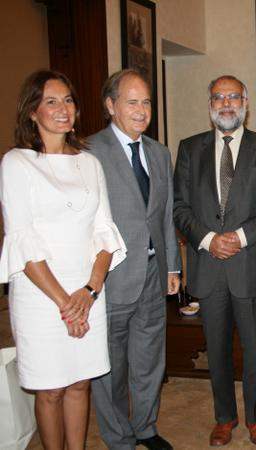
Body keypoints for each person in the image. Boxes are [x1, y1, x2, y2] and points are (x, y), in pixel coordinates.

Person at [0, 70, 126, 449]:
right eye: (51, 101)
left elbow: (105, 233)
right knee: (51, 389)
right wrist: (66, 304)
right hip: (41, 297)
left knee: (80, 383)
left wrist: (89, 291)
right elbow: (22, 240)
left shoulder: (89, 163)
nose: (63, 109)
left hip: (88, 291)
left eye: (68, 100)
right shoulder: (16, 163)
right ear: (32, 111)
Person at [173, 75, 256, 446]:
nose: (226, 103)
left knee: (255, 350)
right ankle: (224, 417)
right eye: (219, 97)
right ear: (210, 104)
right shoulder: (190, 148)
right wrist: (208, 239)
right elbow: (179, 207)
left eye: (234, 96)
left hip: (250, 266)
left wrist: (240, 237)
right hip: (209, 265)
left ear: (246, 103)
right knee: (216, 350)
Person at [89, 68, 181, 450]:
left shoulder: (159, 152)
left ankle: (145, 428)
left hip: (153, 274)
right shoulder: (88, 152)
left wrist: (172, 265)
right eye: (132, 102)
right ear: (111, 106)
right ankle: (119, 438)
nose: (142, 110)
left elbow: (164, 214)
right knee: (109, 367)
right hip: (111, 277)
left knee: (149, 359)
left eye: (146, 102)